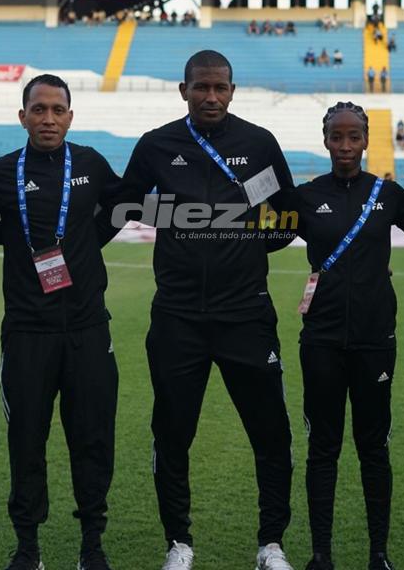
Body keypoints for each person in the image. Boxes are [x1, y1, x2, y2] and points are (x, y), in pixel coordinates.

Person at [116, 50, 297, 570]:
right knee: (172, 435)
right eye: (201, 87)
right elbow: (123, 204)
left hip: (246, 316)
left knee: (272, 436)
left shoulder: (258, 143)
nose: (211, 96)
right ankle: (179, 543)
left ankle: (271, 544)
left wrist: (239, 250)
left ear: (233, 91)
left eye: (220, 88)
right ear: (184, 90)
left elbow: (286, 218)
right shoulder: (157, 145)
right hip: (177, 319)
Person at [0, 74, 120, 570]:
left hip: (89, 328)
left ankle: (92, 544)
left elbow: (116, 210)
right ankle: (28, 547)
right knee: (26, 439)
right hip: (28, 331)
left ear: (71, 115)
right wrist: (18, 239)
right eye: (39, 109)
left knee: (92, 439)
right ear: (22, 115)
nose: (48, 119)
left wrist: (87, 244)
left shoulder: (91, 164)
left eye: (57, 110)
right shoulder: (4, 173)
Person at [284, 101, 404, 570]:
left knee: (374, 448)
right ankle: (320, 555)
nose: (345, 146)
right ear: (325, 138)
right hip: (322, 341)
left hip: (375, 342)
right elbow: (262, 234)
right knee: (323, 448)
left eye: (354, 137)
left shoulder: (387, 195)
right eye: (337, 136)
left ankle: (378, 555)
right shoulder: (306, 196)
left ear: (367, 140)